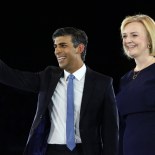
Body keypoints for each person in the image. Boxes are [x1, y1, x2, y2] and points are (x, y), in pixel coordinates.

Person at [0, 27, 119, 155]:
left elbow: (110, 130)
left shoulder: (102, 82)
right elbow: (11, 76)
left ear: (79, 48)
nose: (57, 51)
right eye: (55, 46)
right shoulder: (48, 77)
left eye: (63, 45)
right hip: (51, 150)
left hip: (85, 151)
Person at [116, 14, 155, 155]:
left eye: (134, 35)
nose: (128, 41)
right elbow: (123, 125)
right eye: (125, 36)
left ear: (149, 39)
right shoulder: (125, 79)